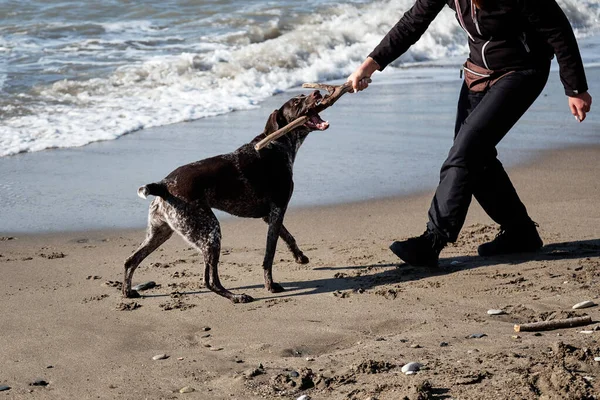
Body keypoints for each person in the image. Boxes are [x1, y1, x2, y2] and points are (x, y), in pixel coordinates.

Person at [347, 0, 592, 267]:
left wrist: (575, 88)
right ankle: (520, 232)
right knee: (476, 157)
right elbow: (412, 23)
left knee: (465, 153)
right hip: (477, 73)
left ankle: (433, 240)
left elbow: (558, 30)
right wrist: (369, 65)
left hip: (522, 70)